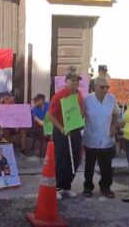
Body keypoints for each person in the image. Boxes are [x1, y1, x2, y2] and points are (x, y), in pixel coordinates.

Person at [48, 71, 84, 199]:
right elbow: (50, 115)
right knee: (62, 159)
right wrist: (61, 128)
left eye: (77, 81)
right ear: (66, 81)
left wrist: (81, 121)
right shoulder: (59, 96)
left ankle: (67, 186)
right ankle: (57, 187)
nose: (75, 83)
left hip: (75, 130)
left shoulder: (79, 94)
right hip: (62, 131)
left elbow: (82, 111)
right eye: (72, 80)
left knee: (75, 158)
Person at [82, 76, 119, 198]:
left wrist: (114, 126)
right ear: (94, 87)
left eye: (107, 87)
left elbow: (115, 113)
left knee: (106, 167)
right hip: (91, 138)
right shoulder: (86, 99)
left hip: (107, 138)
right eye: (102, 87)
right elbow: (80, 115)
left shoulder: (112, 98)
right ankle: (88, 187)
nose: (105, 89)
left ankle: (106, 187)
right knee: (89, 166)